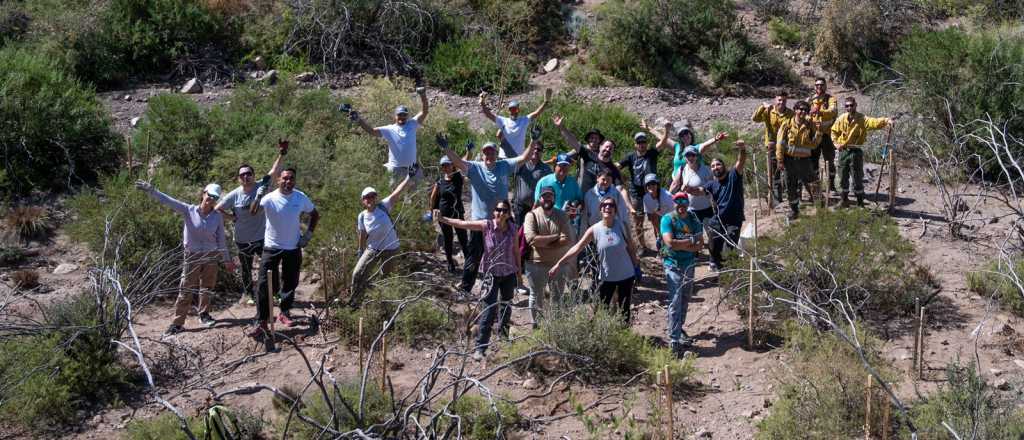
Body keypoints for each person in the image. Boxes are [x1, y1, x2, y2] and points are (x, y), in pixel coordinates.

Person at [438, 135, 536, 295]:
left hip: (503, 220)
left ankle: (515, 283)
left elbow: (524, 157)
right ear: (482, 155)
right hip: (481, 222)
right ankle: (466, 288)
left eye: (492, 153)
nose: (489, 156)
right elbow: (457, 162)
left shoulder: (504, 165)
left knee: (510, 253)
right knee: (474, 256)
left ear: (496, 154)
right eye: (486, 153)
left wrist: (533, 140)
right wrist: (446, 148)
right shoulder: (474, 167)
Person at [135, 180, 234, 335]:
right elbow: (169, 201)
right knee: (186, 288)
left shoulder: (217, 217)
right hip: (192, 255)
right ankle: (178, 322)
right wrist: (151, 190)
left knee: (207, 286)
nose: (211, 199)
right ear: (203, 193)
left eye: (215, 197)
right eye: (209, 195)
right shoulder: (189, 210)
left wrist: (227, 260)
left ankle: (204, 314)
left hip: (211, 255)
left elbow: (221, 239)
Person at [434, 199, 520, 360]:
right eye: (498, 210)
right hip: (491, 275)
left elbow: (516, 251)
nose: (500, 213)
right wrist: (443, 220)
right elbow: (462, 223)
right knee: (488, 310)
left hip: (508, 273)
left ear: (509, 214)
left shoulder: (513, 229)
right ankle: (480, 347)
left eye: (504, 210)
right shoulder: (486, 226)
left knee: (506, 307)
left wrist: (519, 276)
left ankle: (503, 337)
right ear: (494, 212)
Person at [247, 168, 320, 336]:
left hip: (293, 247)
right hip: (271, 247)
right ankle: (262, 321)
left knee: (290, 282)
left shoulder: (300, 197)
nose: (288, 182)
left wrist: (307, 235)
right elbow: (252, 211)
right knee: (264, 284)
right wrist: (258, 195)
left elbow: (315, 214)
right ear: (278, 179)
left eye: (291, 179)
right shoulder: (270, 198)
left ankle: (284, 312)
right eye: (285, 178)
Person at [215, 141, 287, 305]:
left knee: (271, 266)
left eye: (248, 174)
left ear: (254, 175)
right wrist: (232, 218)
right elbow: (217, 209)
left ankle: (275, 294)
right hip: (242, 239)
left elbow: (274, 171)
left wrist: (282, 154)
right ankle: (248, 294)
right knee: (246, 269)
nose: (246, 177)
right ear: (239, 178)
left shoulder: (262, 185)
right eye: (242, 175)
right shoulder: (234, 195)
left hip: (263, 237)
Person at [549, 196, 641, 323]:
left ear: (615, 210)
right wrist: (558, 264)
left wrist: (636, 268)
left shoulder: (622, 225)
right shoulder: (594, 230)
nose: (607, 207)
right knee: (602, 311)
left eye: (611, 205)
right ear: (600, 210)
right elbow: (577, 248)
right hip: (606, 277)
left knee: (624, 310)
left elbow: (631, 248)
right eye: (604, 205)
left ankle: (623, 337)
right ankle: (602, 339)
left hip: (626, 275)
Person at [350, 169, 416, 307]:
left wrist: (409, 177)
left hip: (391, 249)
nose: (370, 199)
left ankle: (383, 306)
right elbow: (362, 234)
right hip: (373, 249)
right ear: (363, 200)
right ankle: (355, 303)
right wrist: (360, 250)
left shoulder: (384, 206)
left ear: (376, 197)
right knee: (357, 273)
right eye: (367, 197)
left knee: (386, 279)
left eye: (372, 196)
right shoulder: (362, 216)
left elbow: (398, 192)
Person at [352, 87, 429, 188]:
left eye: (404, 115)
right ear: (395, 116)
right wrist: (358, 120)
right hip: (395, 168)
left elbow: (425, 112)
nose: (402, 117)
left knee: (418, 193)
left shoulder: (412, 123)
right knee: (394, 196)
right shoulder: (389, 129)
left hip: (412, 168)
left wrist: (423, 95)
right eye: (399, 115)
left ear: (407, 116)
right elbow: (371, 131)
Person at [523, 185, 576, 327]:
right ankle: (537, 324)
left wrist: (544, 243)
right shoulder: (531, 215)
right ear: (539, 198)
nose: (547, 198)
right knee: (536, 295)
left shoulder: (562, 215)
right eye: (544, 196)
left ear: (554, 198)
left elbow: (568, 238)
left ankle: (556, 326)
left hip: (559, 264)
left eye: (550, 196)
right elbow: (531, 239)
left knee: (557, 297)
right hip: (536, 264)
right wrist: (555, 236)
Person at [660, 192, 704, 356]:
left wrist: (683, 245)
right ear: (673, 203)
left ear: (687, 202)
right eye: (677, 201)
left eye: (683, 201)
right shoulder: (667, 219)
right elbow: (670, 243)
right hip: (673, 265)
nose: (680, 204)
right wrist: (691, 242)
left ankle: (679, 329)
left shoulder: (693, 219)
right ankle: (673, 339)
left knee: (686, 298)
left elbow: (701, 244)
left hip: (689, 264)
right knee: (675, 300)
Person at [831, 97, 893, 207]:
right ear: (845, 107)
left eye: (851, 105)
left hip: (855, 152)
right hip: (843, 152)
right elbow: (834, 131)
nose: (849, 108)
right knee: (842, 177)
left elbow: (874, 122)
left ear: (856, 105)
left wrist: (886, 120)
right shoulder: (841, 118)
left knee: (857, 178)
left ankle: (860, 203)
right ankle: (844, 200)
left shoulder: (862, 119)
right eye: (847, 106)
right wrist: (836, 143)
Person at [618, 128, 670, 250]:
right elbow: (617, 166)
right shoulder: (630, 157)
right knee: (638, 221)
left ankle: (661, 244)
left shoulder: (651, 153)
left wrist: (666, 130)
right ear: (635, 144)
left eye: (643, 142)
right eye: (639, 142)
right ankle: (642, 247)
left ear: (646, 143)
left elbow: (663, 142)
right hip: (636, 193)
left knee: (656, 218)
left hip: (652, 192)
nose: (641, 144)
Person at [553, 116, 628, 196]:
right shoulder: (587, 152)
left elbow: (620, 188)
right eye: (592, 138)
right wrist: (562, 127)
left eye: (596, 138)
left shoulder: (611, 166)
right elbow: (573, 142)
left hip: (599, 200)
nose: (594, 140)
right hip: (582, 193)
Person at [704, 141, 748, 271]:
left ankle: (730, 272)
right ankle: (718, 267)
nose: (715, 167)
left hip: (734, 220)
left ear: (724, 166)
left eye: (718, 164)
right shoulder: (712, 184)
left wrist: (742, 148)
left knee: (729, 249)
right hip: (718, 220)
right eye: (712, 166)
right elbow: (700, 190)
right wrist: (688, 189)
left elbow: (741, 161)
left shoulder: (734, 176)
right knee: (713, 246)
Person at [776, 100, 823, 219]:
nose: (802, 112)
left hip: (804, 161)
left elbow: (813, 145)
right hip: (789, 161)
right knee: (791, 186)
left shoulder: (810, 125)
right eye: (800, 109)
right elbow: (780, 144)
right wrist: (780, 160)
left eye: (805, 110)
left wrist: (818, 132)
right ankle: (794, 210)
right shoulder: (786, 125)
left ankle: (820, 207)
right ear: (795, 110)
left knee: (814, 183)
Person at [480, 88, 552, 156]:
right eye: (511, 109)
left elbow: (536, 113)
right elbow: (488, 114)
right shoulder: (503, 121)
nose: (513, 112)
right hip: (504, 157)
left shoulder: (524, 120)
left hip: (518, 157)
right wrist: (482, 103)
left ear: (518, 110)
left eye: (515, 109)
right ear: (508, 111)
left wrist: (546, 102)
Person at [647, 119, 727, 180]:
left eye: (686, 133)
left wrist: (715, 139)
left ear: (691, 135)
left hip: (693, 183)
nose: (685, 136)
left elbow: (706, 144)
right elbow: (661, 136)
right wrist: (648, 128)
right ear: (680, 138)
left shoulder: (696, 148)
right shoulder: (677, 147)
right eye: (682, 135)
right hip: (676, 182)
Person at [429, 156, 469, 273]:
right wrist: (432, 210)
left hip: (457, 213)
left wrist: (468, 152)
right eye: (443, 166)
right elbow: (433, 197)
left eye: (448, 165)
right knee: (448, 238)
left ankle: (468, 261)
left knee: (463, 237)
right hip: (444, 215)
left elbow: (462, 162)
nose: (446, 167)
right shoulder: (440, 181)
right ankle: (450, 263)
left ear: (452, 165)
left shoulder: (458, 178)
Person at [752, 93, 794, 204]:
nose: (781, 102)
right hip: (772, 147)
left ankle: (791, 197)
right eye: (779, 100)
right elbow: (755, 118)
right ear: (775, 100)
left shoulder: (790, 113)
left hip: (786, 147)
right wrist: (763, 106)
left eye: (784, 100)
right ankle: (776, 200)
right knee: (774, 174)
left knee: (788, 172)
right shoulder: (769, 111)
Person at [808, 77, 839, 195]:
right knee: (813, 162)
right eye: (817, 85)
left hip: (827, 135)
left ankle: (831, 186)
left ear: (825, 86)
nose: (819, 87)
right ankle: (816, 187)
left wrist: (819, 112)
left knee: (829, 161)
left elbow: (833, 111)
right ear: (814, 87)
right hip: (814, 135)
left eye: (821, 85)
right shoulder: (811, 100)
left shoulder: (831, 99)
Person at [669, 145, 715, 223]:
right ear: (684, 157)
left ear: (696, 156)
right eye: (688, 155)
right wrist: (666, 197)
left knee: (712, 233)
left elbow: (712, 188)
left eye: (693, 155)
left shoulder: (706, 170)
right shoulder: (682, 169)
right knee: (694, 234)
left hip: (706, 208)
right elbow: (675, 184)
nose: (690, 158)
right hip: (690, 210)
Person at [512, 141, 552, 225]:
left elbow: (550, 187)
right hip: (520, 207)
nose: (536, 151)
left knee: (534, 234)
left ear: (541, 152)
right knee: (519, 234)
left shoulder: (546, 169)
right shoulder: (521, 164)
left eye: (539, 149)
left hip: (537, 207)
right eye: (534, 148)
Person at [641, 173, 673, 249]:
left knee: (670, 234)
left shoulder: (666, 196)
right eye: (648, 184)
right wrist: (659, 232)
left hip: (671, 215)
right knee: (660, 235)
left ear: (657, 185)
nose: (651, 186)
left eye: (653, 183)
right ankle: (661, 246)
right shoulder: (646, 198)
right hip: (659, 215)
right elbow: (651, 217)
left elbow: (674, 213)